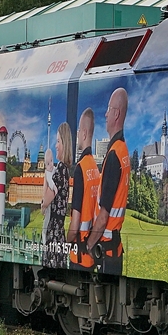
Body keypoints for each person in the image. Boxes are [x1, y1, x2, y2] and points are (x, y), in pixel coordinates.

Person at [87, 88, 129, 276]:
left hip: (105, 248)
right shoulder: (123, 150)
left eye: (108, 109)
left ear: (116, 113)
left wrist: (88, 245)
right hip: (114, 246)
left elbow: (103, 216)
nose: (105, 113)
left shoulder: (113, 156)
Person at [68, 109, 98, 270]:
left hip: (78, 256)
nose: (77, 134)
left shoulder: (80, 168)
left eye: (79, 130)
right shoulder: (94, 168)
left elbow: (75, 223)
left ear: (84, 133)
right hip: (91, 254)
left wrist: (65, 242)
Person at [41, 122, 72, 268]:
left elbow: (46, 199)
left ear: (64, 143)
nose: (56, 145)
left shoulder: (60, 169)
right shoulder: (65, 170)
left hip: (53, 233)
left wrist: (46, 176)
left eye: (58, 141)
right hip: (59, 232)